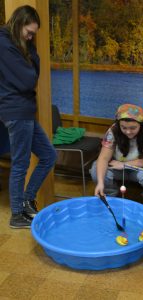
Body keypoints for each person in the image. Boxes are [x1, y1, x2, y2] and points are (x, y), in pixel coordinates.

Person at [0, 5, 57, 229]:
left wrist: (30, 48)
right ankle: (17, 214)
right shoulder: (4, 44)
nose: (31, 37)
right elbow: (27, 80)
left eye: (33, 34)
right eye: (29, 33)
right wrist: (31, 56)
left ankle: (26, 199)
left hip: (24, 110)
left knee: (48, 155)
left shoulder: (17, 43)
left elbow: (32, 74)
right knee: (21, 164)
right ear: (17, 24)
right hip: (15, 111)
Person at [91, 103, 143, 208]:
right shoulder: (113, 130)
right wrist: (100, 183)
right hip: (117, 167)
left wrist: (124, 164)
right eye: (123, 127)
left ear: (141, 124)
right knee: (95, 169)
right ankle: (110, 194)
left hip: (141, 167)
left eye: (133, 128)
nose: (128, 132)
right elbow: (103, 158)